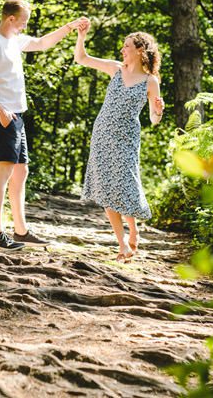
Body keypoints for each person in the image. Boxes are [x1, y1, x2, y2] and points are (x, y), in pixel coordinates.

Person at [0, 0, 85, 249]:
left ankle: (21, 231)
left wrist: (70, 27)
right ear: (11, 19)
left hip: (16, 116)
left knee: (20, 171)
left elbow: (43, 43)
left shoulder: (13, 40)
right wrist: (0, 109)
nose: (25, 26)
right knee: (3, 172)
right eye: (23, 22)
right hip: (1, 116)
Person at [71, 25, 164, 260]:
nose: (122, 49)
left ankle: (133, 230)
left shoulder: (150, 82)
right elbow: (81, 58)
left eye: (127, 46)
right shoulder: (115, 69)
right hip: (102, 133)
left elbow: (154, 120)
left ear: (140, 50)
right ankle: (122, 243)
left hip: (126, 137)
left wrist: (158, 111)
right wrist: (81, 36)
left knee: (125, 183)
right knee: (106, 186)